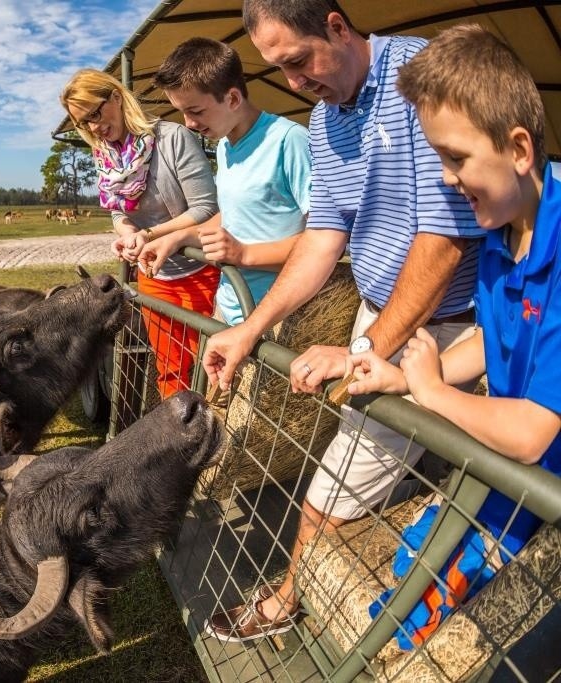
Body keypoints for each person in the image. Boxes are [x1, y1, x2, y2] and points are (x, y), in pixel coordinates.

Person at [200, 0, 485, 643]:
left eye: (298, 61)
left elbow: (445, 238)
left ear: (336, 24)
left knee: (333, 485)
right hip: (387, 322)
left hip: (448, 327)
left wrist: (366, 351)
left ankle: (289, 600)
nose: (296, 82)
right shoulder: (326, 121)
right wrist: (253, 327)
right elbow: (323, 238)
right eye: (280, 70)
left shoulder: (427, 76)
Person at [345, 23, 560, 648]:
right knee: (420, 558)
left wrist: (434, 396)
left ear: (518, 148)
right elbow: (497, 343)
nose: (444, 178)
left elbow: (530, 434)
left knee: (438, 609)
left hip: (541, 482)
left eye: (456, 158)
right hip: (515, 473)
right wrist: (399, 377)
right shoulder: (504, 226)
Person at [60, 69, 220, 399]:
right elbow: (118, 211)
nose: (93, 127)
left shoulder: (173, 138)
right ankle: (179, 441)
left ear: (116, 97)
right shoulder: (106, 155)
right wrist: (127, 232)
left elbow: (205, 208)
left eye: (94, 113)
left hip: (201, 273)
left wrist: (148, 234)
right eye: (83, 122)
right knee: (169, 368)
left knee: (209, 369)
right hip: (155, 276)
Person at [143, 36, 311, 328]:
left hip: (280, 319)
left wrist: (244, 254)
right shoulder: (224, 146)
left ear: (232, 98)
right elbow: (234, 215)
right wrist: (177, 238)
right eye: (182, 112)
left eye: (195, 111)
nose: (188, 123)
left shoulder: (289, 141)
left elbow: (323, 242)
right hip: (230, 308)